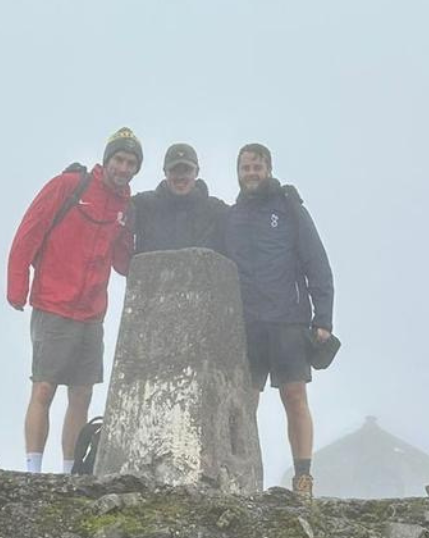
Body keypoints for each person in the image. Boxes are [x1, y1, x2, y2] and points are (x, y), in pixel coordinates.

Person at [7, 129, 139, 473]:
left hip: (92, 314)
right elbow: (29, 231)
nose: (124, 168)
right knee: (45, 387)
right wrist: (17, 285)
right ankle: (33, 470)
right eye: (120, 160)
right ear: (107, 159)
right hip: (53, 303)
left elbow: (124, 261)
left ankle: (71, 473)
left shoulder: (127, 205)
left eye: (131, 163)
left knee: (82, 394)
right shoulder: (69, 185)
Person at [223, 141, 334, 501]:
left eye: (256, 167)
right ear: (238, 173)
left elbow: (316, 260)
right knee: (245, 401)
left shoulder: (289, 207)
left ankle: (303, 479)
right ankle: (242, 475)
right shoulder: (232, 216)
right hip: (247, 323)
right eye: (245, 168)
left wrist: (323, 318)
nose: (251, 173)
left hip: (288, 319)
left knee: (294, 395)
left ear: (268, 169)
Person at [130, 142, 228, 255]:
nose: (180, 176)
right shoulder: (142, 206)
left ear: (197, 172)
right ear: (164, 172)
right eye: (174, 170)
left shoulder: (217, 211)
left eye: (187, 170)